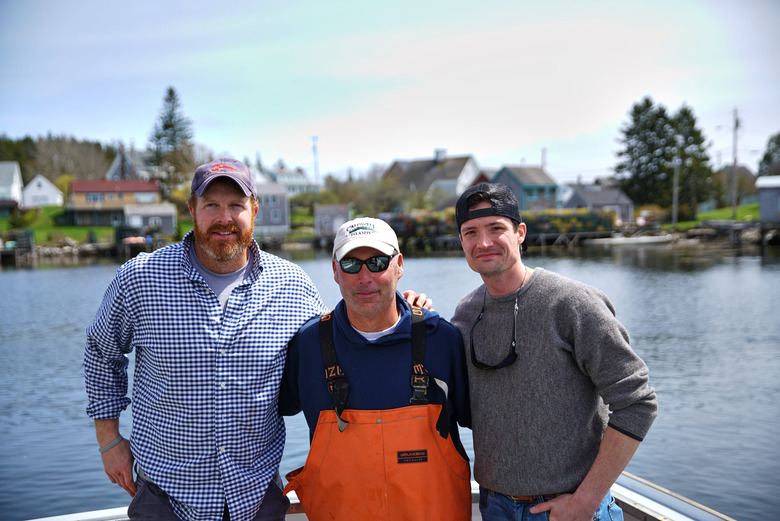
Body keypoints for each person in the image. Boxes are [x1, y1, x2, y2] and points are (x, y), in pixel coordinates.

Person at [84, 159, 429, 521]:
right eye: (211, 205)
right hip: (166, 497)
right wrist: (109, 440)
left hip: (256, 498)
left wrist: (403, 307)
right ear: (192, 210)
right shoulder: (141, 278)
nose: (224, 218)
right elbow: (102, 354)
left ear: (254, 210)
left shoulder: (291, 285)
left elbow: (343, 339)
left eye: (236, 205)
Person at [450, 183, 658, 521]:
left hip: (570, 509)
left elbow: (637, 402)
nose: (483, 242)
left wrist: (586, 501)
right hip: (495, 506)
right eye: (470, 232)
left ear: (520, 233)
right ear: (461, 242)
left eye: (496, 229)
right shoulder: (464, 315)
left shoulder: (572, 304)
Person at [279, 217, 472, 520]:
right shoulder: (307, 345)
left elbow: (490, 428)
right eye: (351, 264)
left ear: (399, 265)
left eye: (378, 262)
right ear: (334, 270)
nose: (364, 277)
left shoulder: (442, 339)